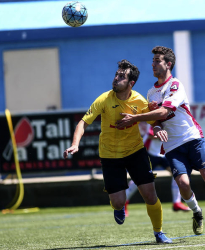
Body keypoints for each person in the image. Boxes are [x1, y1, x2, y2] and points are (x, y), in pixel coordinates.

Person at [116, 46, 205, 236]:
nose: (153, 64)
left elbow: (164, 111)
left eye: (157, 61)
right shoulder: (151, 93)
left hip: (192, 138)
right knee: (183, 184)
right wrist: (157, 128)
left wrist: (134, 118)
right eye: (153, 61)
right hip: (172, 146)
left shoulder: (175, 85)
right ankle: (197, 213)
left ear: (168, 64)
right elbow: (157, 121)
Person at [63, 59, 172, 244]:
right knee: (118, 201)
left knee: (150, 195)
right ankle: (118, 207)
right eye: (116, 74)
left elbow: (154, 121)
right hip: (110, 155)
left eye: (121, 76)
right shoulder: (104, 99)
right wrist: (75, 143)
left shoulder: (139, 100)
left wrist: (158, 128)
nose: (116, 78)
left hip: (135, 152)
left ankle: (159, 232)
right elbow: (83, 122)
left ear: (131, 83)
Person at [125, 122, 190, 216]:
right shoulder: (153, 115)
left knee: (178, 174)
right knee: (139, 179)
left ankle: (177, 203)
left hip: (163, 153)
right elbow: (151, 134)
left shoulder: (168, 114)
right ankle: (123, 203)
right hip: (150, 152)